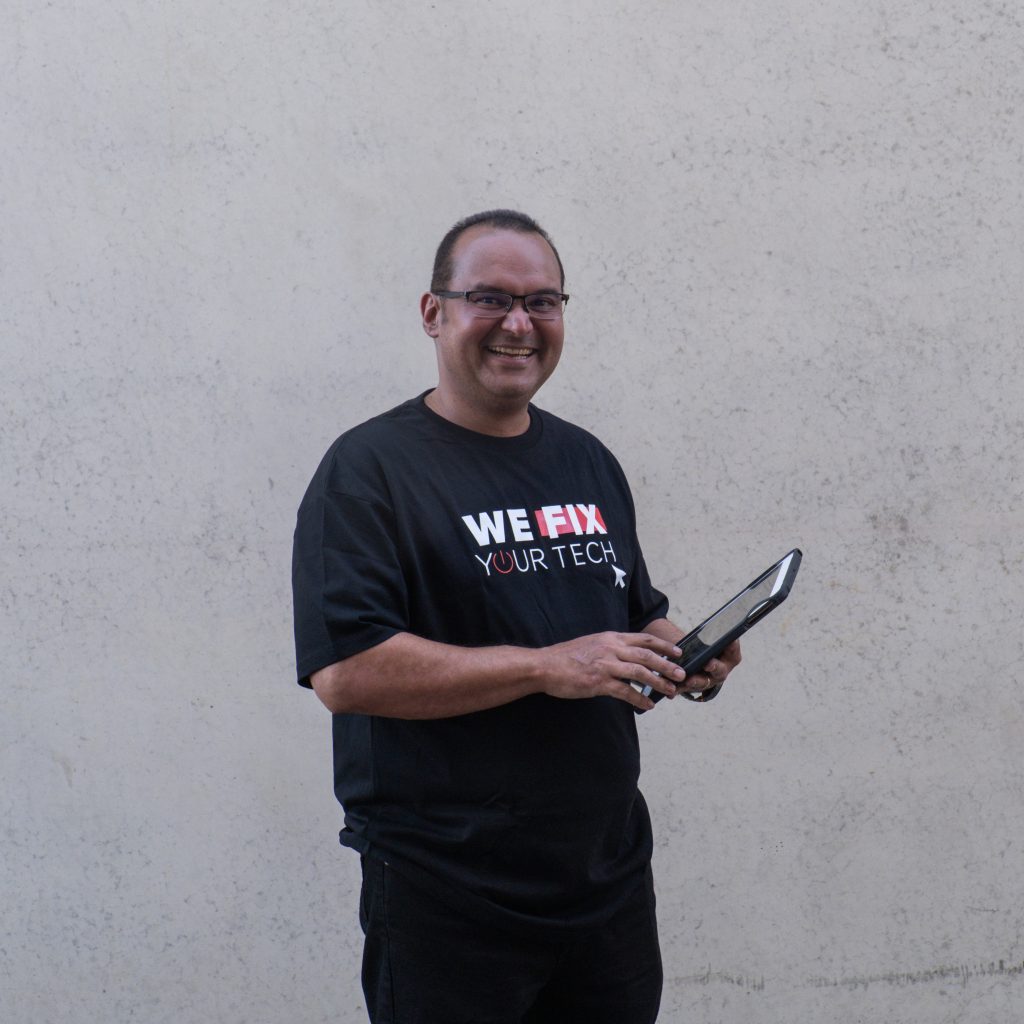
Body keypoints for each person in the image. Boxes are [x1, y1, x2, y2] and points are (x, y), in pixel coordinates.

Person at [291, 209, 741, 1024]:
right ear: (434, 312)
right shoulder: (368, 470)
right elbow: (346, 672)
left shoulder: (586, 458)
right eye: (491, 298)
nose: (519, 324)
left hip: (605, 883)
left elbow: (634, 614)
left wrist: (685, 651)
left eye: (542, 301)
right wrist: (546, 667)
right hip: (448, 895)